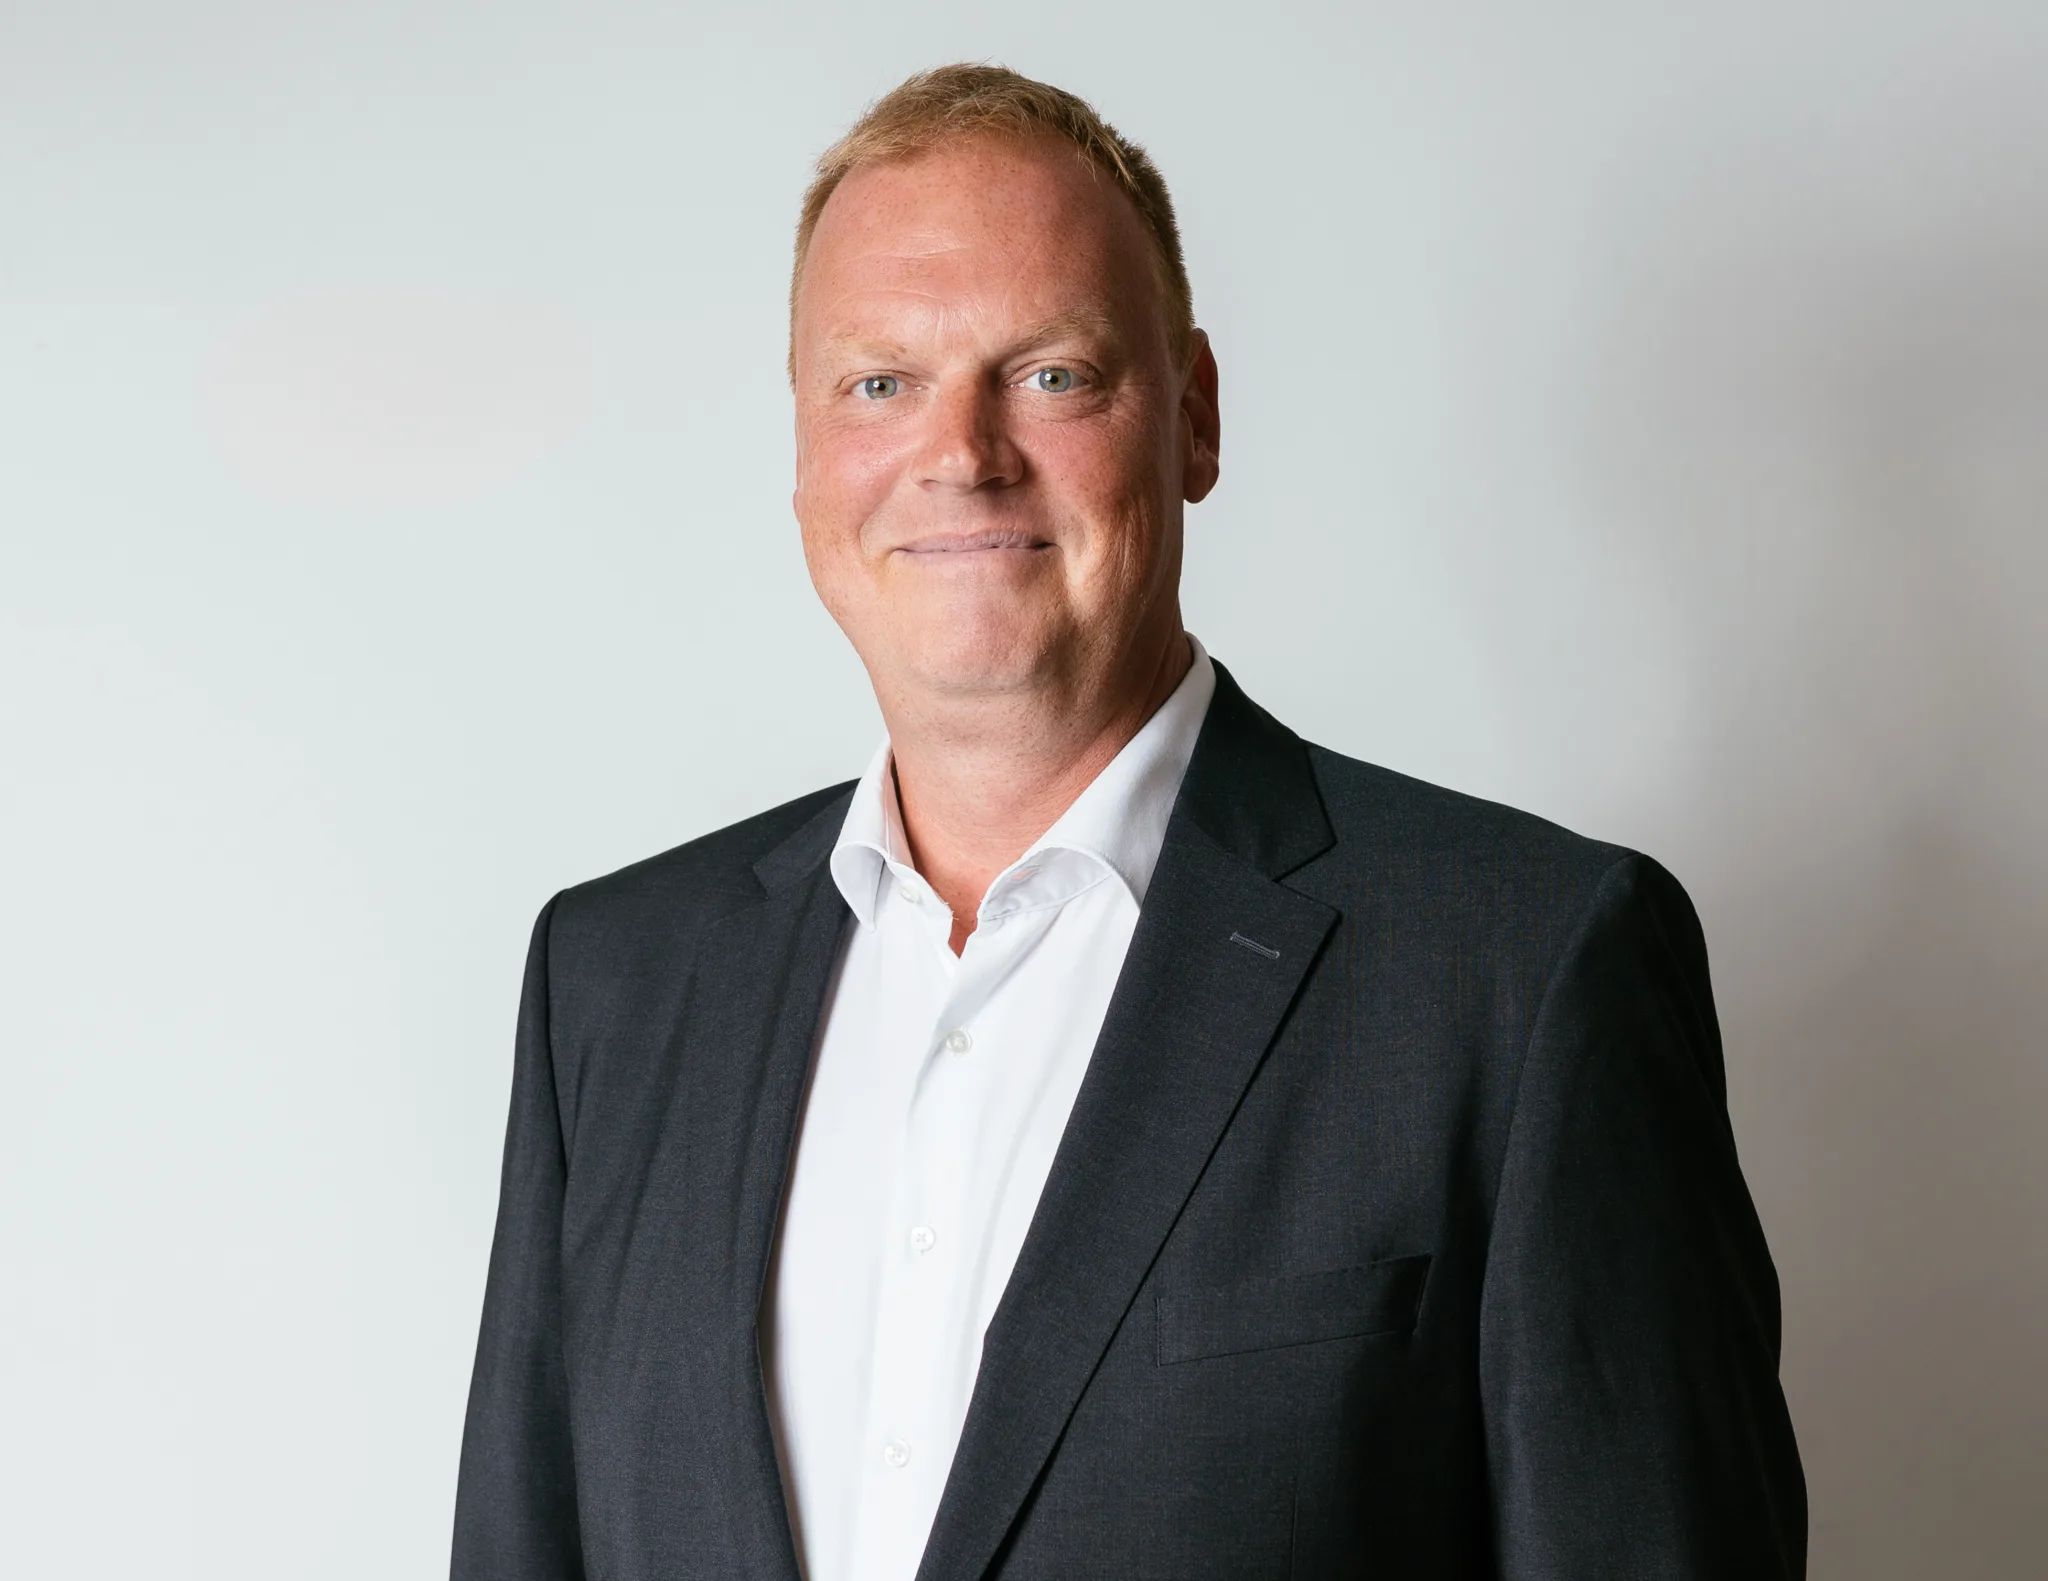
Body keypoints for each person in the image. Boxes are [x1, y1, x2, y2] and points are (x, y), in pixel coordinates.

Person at [451, 63, 1805, 1581]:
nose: (961, 453)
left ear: (1194, 415)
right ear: (805, 450)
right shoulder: (616, 985)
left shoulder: (1523, 972)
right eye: (879, 383)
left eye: (1050, 374)